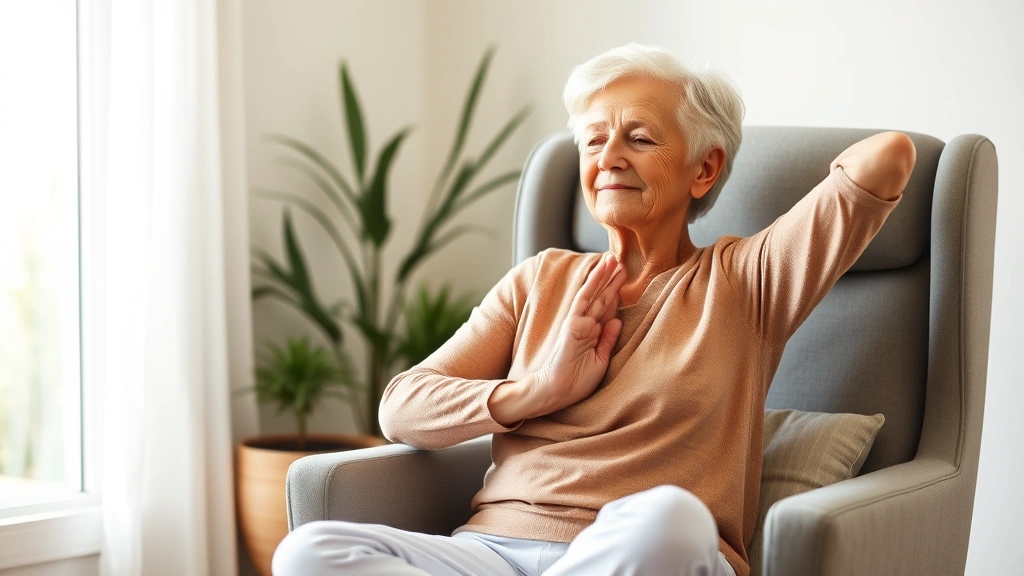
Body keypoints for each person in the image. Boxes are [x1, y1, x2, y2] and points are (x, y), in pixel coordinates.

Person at [272, 43, 916, 576]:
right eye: (593, 140)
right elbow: (401, 407)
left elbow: (889, 157)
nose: (608, 158)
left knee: (671, 516)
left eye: (639, 137)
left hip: (648, 554)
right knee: (309, 551)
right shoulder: (540, 280)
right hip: (494, 552)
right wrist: (537, 390)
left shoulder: (747, 280)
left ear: (704, 168)